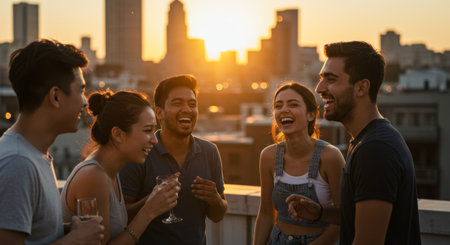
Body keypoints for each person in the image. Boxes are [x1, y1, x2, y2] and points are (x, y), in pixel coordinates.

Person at [287, 41, 421, 244]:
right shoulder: (367, 140)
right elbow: (361, 216)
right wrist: (320, 212)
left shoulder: (375, 149)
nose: (319, 88)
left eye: (330, 79)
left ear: (361, 88)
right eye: (322, 78)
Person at [0, 39, 104, 244]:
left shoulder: (34, 155)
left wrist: (66, 230)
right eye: (81, 90)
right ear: (55, 96)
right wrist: (76, 239)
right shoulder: (19, 163)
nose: (85, 102)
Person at [60, 90, 181, 244]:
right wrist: (149, 212)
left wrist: (152, 200)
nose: (155, 140)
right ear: (117, 134)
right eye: (147, 130)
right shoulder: (94, 176)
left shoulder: (109, 171)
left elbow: (112, 218)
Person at [119, 74, 228, 244]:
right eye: (177, 103)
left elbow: (218, 215)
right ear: (159, 112)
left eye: (192, 104)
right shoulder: (141, 152)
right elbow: (121, 216)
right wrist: (152, 201)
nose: (187, 109)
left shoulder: (210, 152)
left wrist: (214, 199)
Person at [253, 82, 345, 245]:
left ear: (311, 115)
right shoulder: (268, 156)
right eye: (278, 106)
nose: (284, 110)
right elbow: (266, 213)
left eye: (293, 104)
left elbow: (343, 218)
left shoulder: (331, 157)